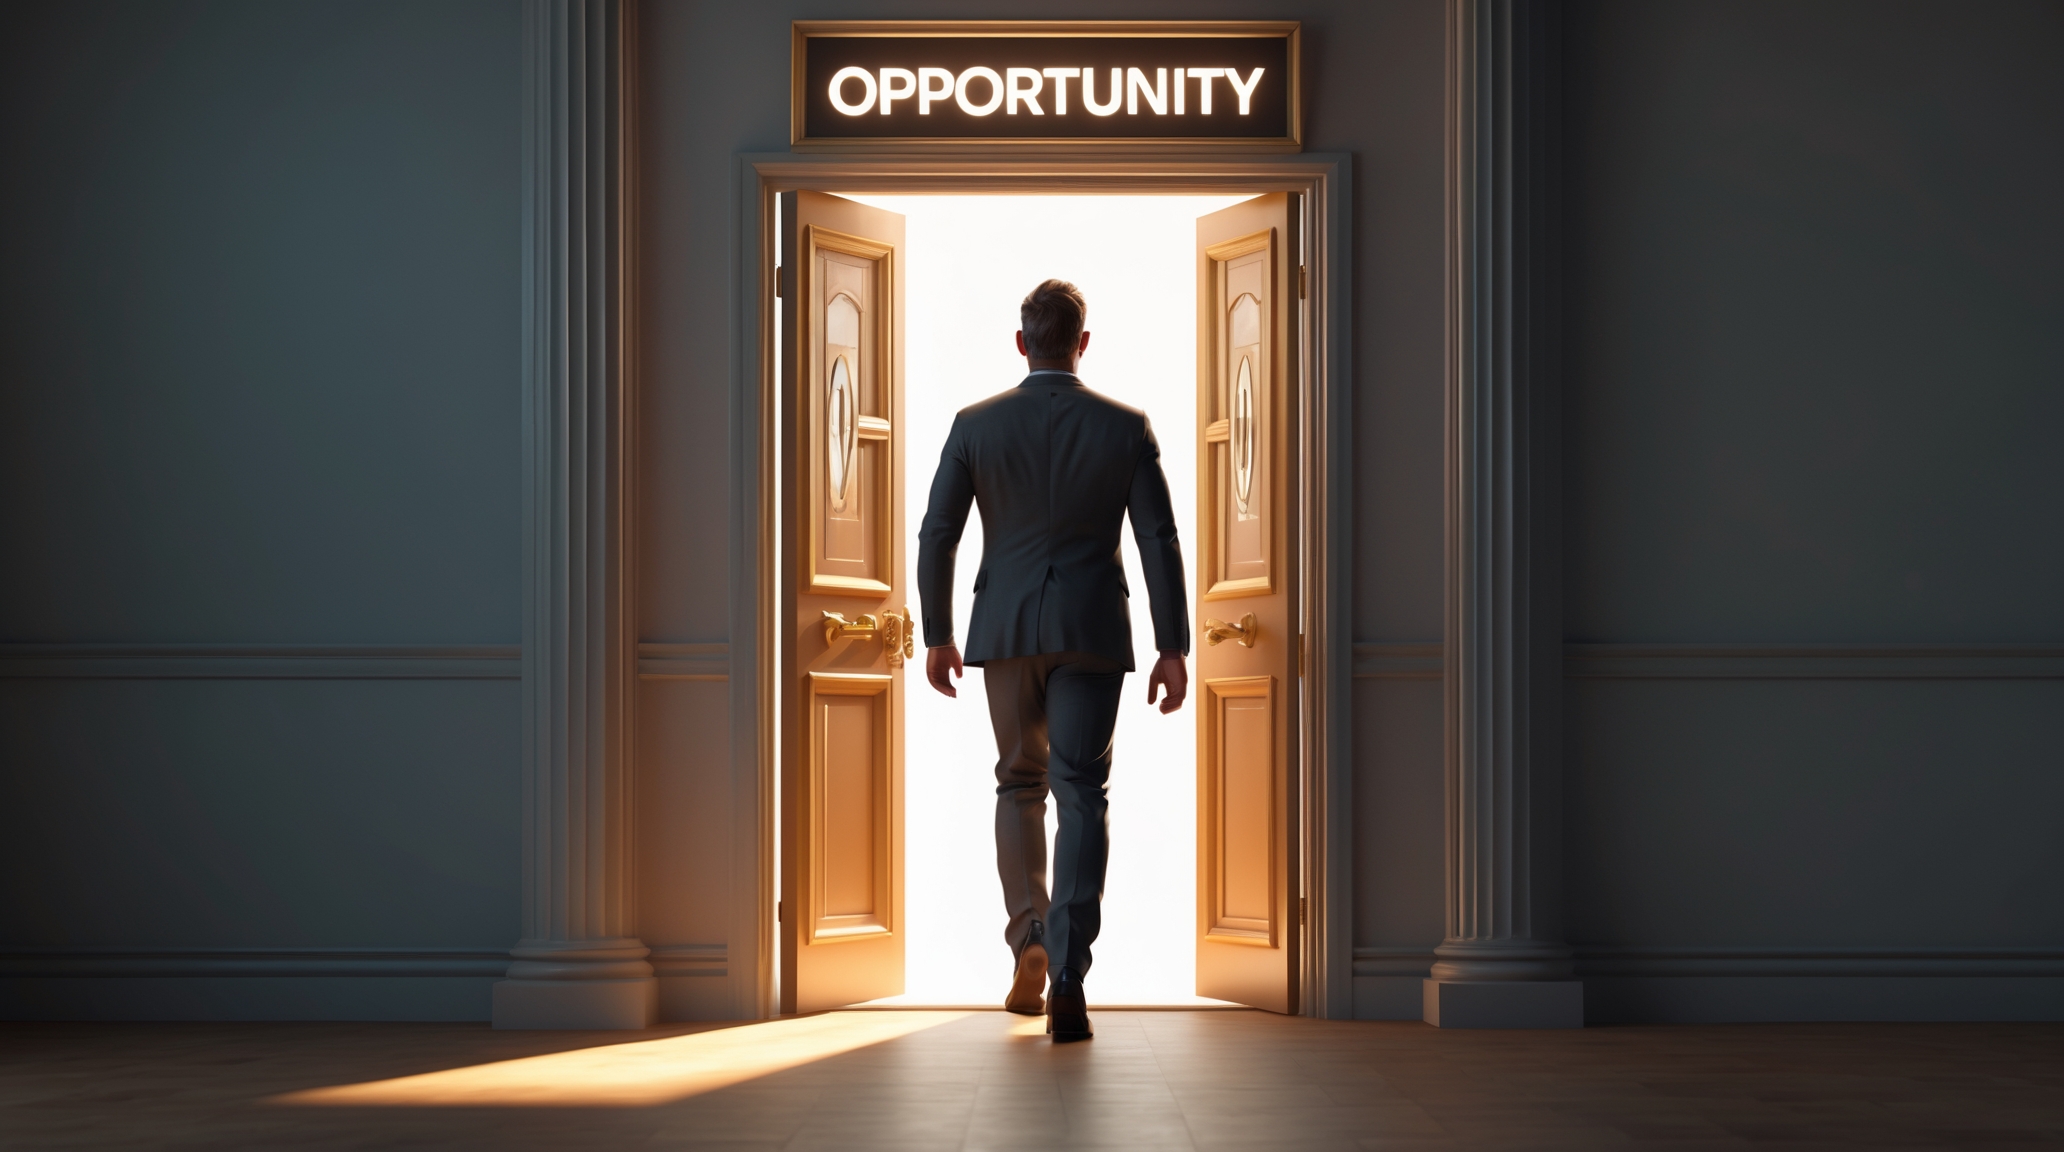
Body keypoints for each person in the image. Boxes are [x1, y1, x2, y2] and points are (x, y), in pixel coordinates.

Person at [915, 279, 1190, 1043]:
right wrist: (1172, 646)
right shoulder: (1125, 427)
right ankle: (1069, 972)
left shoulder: (975, 425)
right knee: (1082, 795)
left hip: (1005, 632)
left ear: (1021, 343)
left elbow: (937, 533)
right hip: (1092, 631)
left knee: (1018, 784)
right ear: (1083, 343)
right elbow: (1158, 539)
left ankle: (1028, 938)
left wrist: (938, 633)